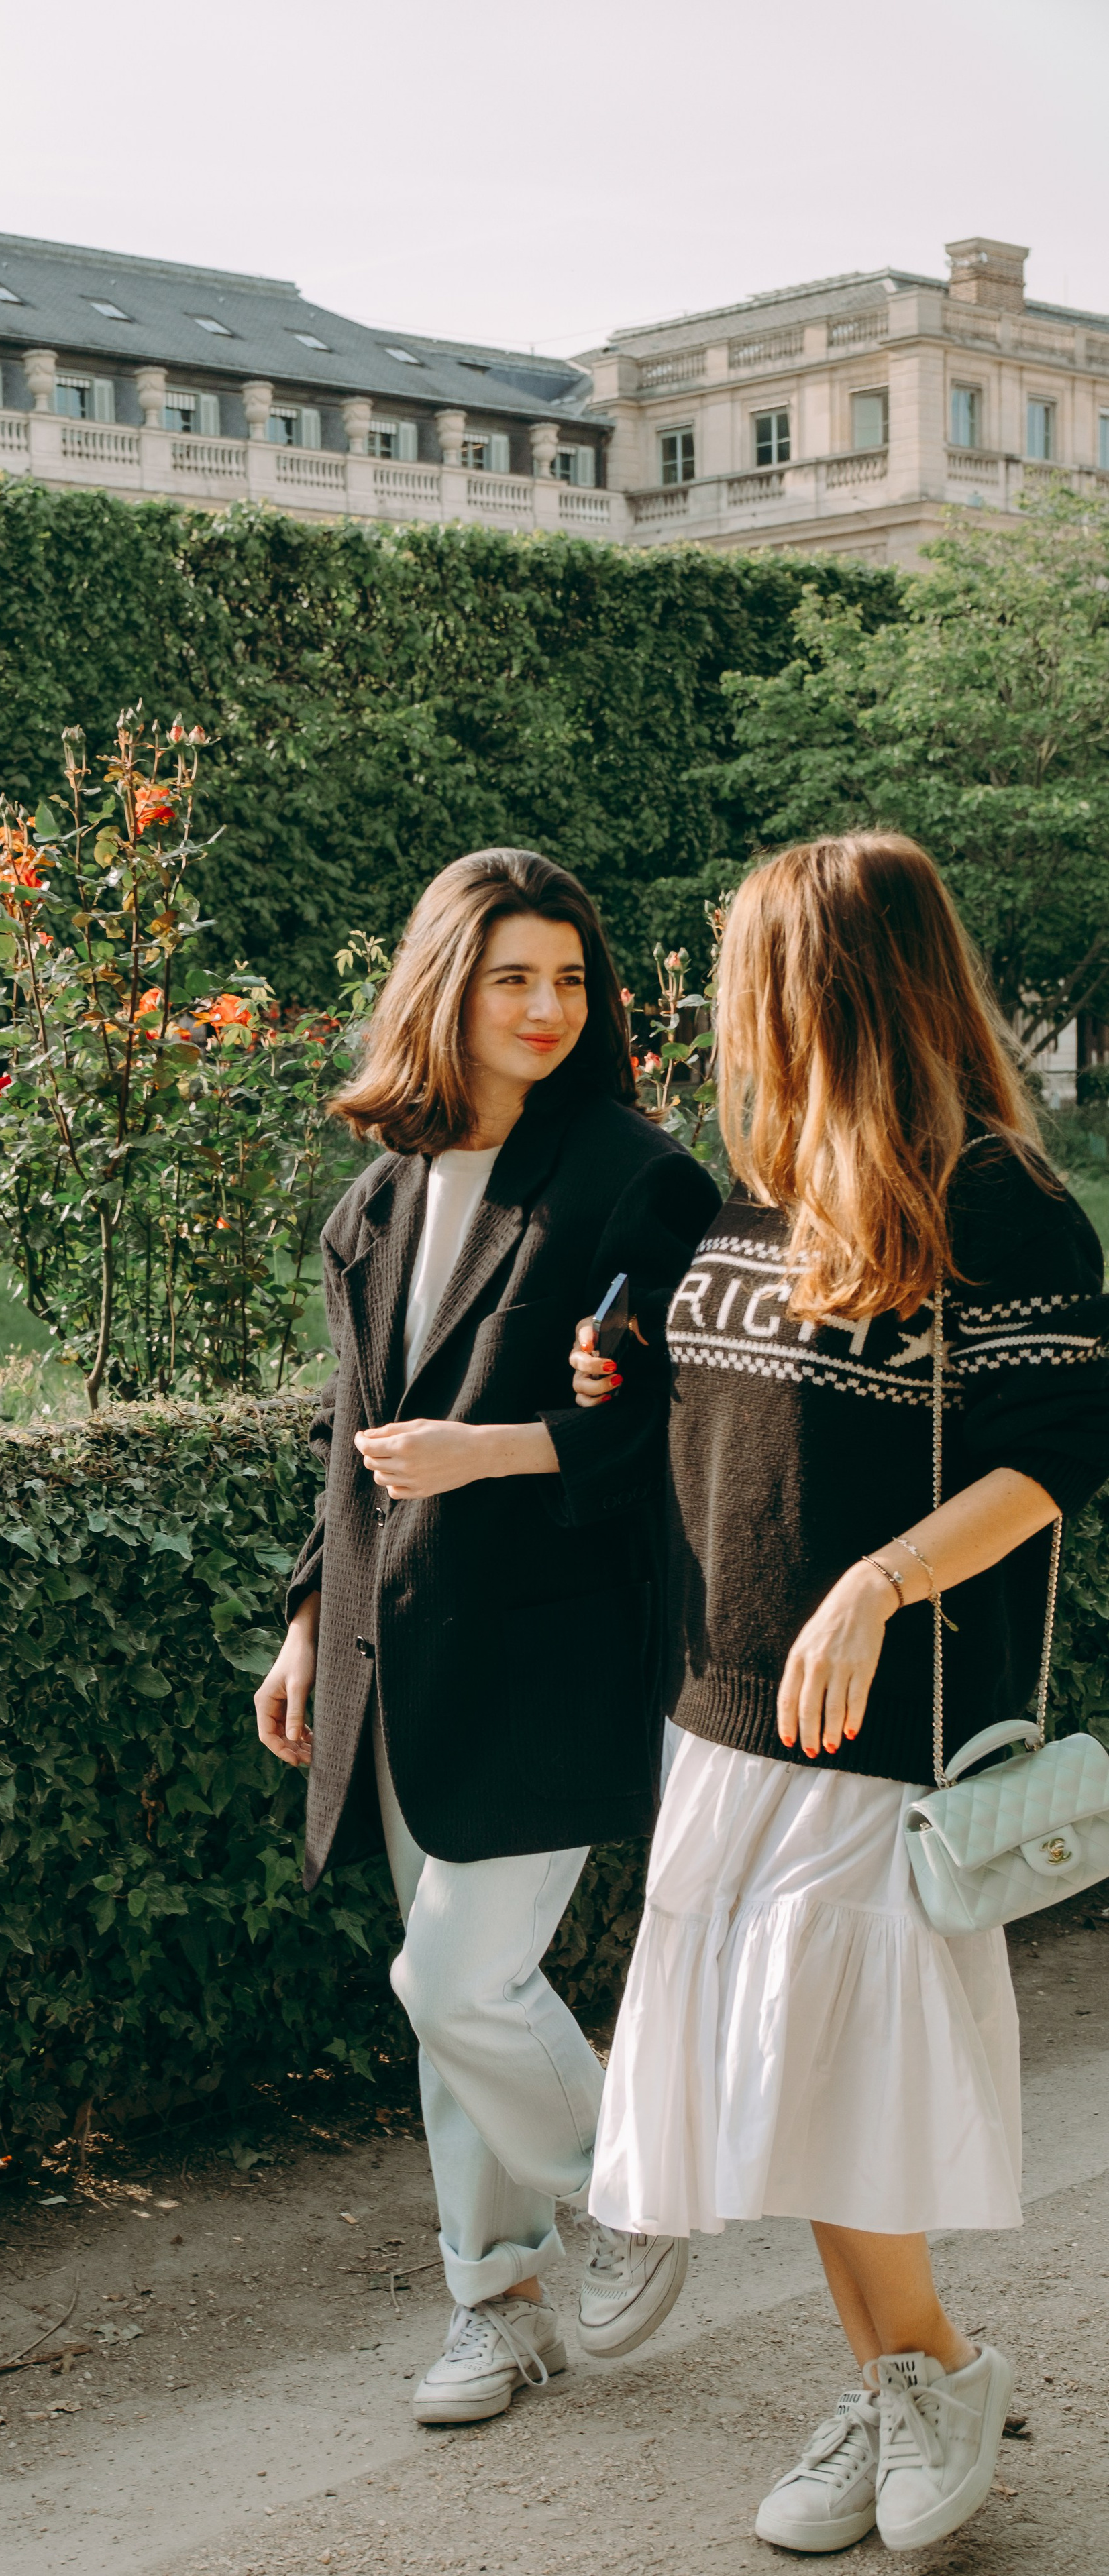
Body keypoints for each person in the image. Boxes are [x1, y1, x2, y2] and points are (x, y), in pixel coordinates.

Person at [577, 833, 1109, 2553]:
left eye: (753, 977)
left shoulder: (995, 1201)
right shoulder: (754, 1190)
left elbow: (1053, 1455)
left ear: (830, 985)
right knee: (786, 2080)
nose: (733, 1013)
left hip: (883, 1725)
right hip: (724, 1708)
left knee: (827, 2072)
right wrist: (627, 1359)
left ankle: (928, 2367)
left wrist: (878, 1581)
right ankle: (898, 2373)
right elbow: (744, 1415)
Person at [255, 847, 721, 2426]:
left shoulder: (635, 1178)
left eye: (568, 979)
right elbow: (350, 1437)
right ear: (444, 987)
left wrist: (495, 1450)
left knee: (454, 1978)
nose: (544, 1007)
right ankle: (496, 2303)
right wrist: (305, 1619)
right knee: (445, 2008)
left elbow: (678, 1428)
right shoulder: (377, 1198)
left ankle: (631, 2187)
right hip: (396, 1649)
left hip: (558, 1649)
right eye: (511, 976)